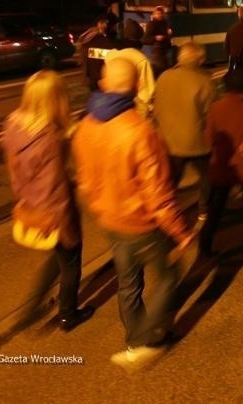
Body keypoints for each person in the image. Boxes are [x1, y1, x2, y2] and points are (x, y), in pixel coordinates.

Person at [72, 58, 192, 369]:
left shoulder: (84, 127)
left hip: (110, 221)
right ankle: (144, 338)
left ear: (102, 84)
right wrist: (181, 232)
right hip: (142, 225)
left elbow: (84, 181)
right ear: (138, 87)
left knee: (128, 283)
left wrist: (100, 209)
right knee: (168, 278)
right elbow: (159, 194)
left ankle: (133, 339)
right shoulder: (140, 131)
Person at [1, 70, 94, 332]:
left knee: (58, 258)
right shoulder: (50, 137)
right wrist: (66, 224)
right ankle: (68, 314)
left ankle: (30, 310)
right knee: (71, 262)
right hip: (54, 210)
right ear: (56, 99)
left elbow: (13, 169)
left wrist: (22, 199)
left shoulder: (12, 125)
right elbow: (55, 186)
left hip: (30, 203)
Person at [201, 69, 243, 259]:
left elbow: (208, 138)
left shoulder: (215, 108)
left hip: (222, 164)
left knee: (216, 207)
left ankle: (205, 244)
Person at [153, 42, 216, 225]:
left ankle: (168, 213)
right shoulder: (205, 81)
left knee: (171, 180)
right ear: (199, 59)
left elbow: (156, 107)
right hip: (196, 143)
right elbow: (210, 115)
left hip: (168, 140)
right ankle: (204, 211)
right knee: (207, 176)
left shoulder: (164, 77)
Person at [77, 14, 118, 90]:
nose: (115, 28)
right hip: (102, 82)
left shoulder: (88, 38)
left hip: (91, 80)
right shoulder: (104, 42)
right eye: (114, 26)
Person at [142, 6, 173, 76]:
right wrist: (155, 38)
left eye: (161, 13)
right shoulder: (151, 24)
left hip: (165, 50)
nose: (159, 15)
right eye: (157, 13)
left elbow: (166, 36)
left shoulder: (164, 22)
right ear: (154, 14)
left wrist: (169, 34)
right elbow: (145, 39)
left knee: (165, 71)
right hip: (156, 51)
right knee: (159, 70)